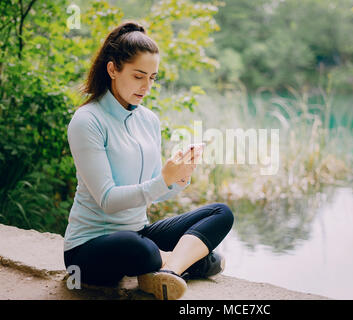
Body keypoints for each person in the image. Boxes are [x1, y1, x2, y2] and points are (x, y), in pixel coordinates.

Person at [63, 21, 234, 300]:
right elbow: (107, 200)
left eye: (153, 78)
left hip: (138, 231)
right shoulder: (87, 121)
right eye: (139, 76)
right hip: (89, 248)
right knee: (141, 248)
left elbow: (155, 190)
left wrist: (179, 176)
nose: (147, 87)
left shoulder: (148, 120)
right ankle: (185, 261)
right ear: (113, 70)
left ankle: (170, 271)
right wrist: (162, 180)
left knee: (221, 213)